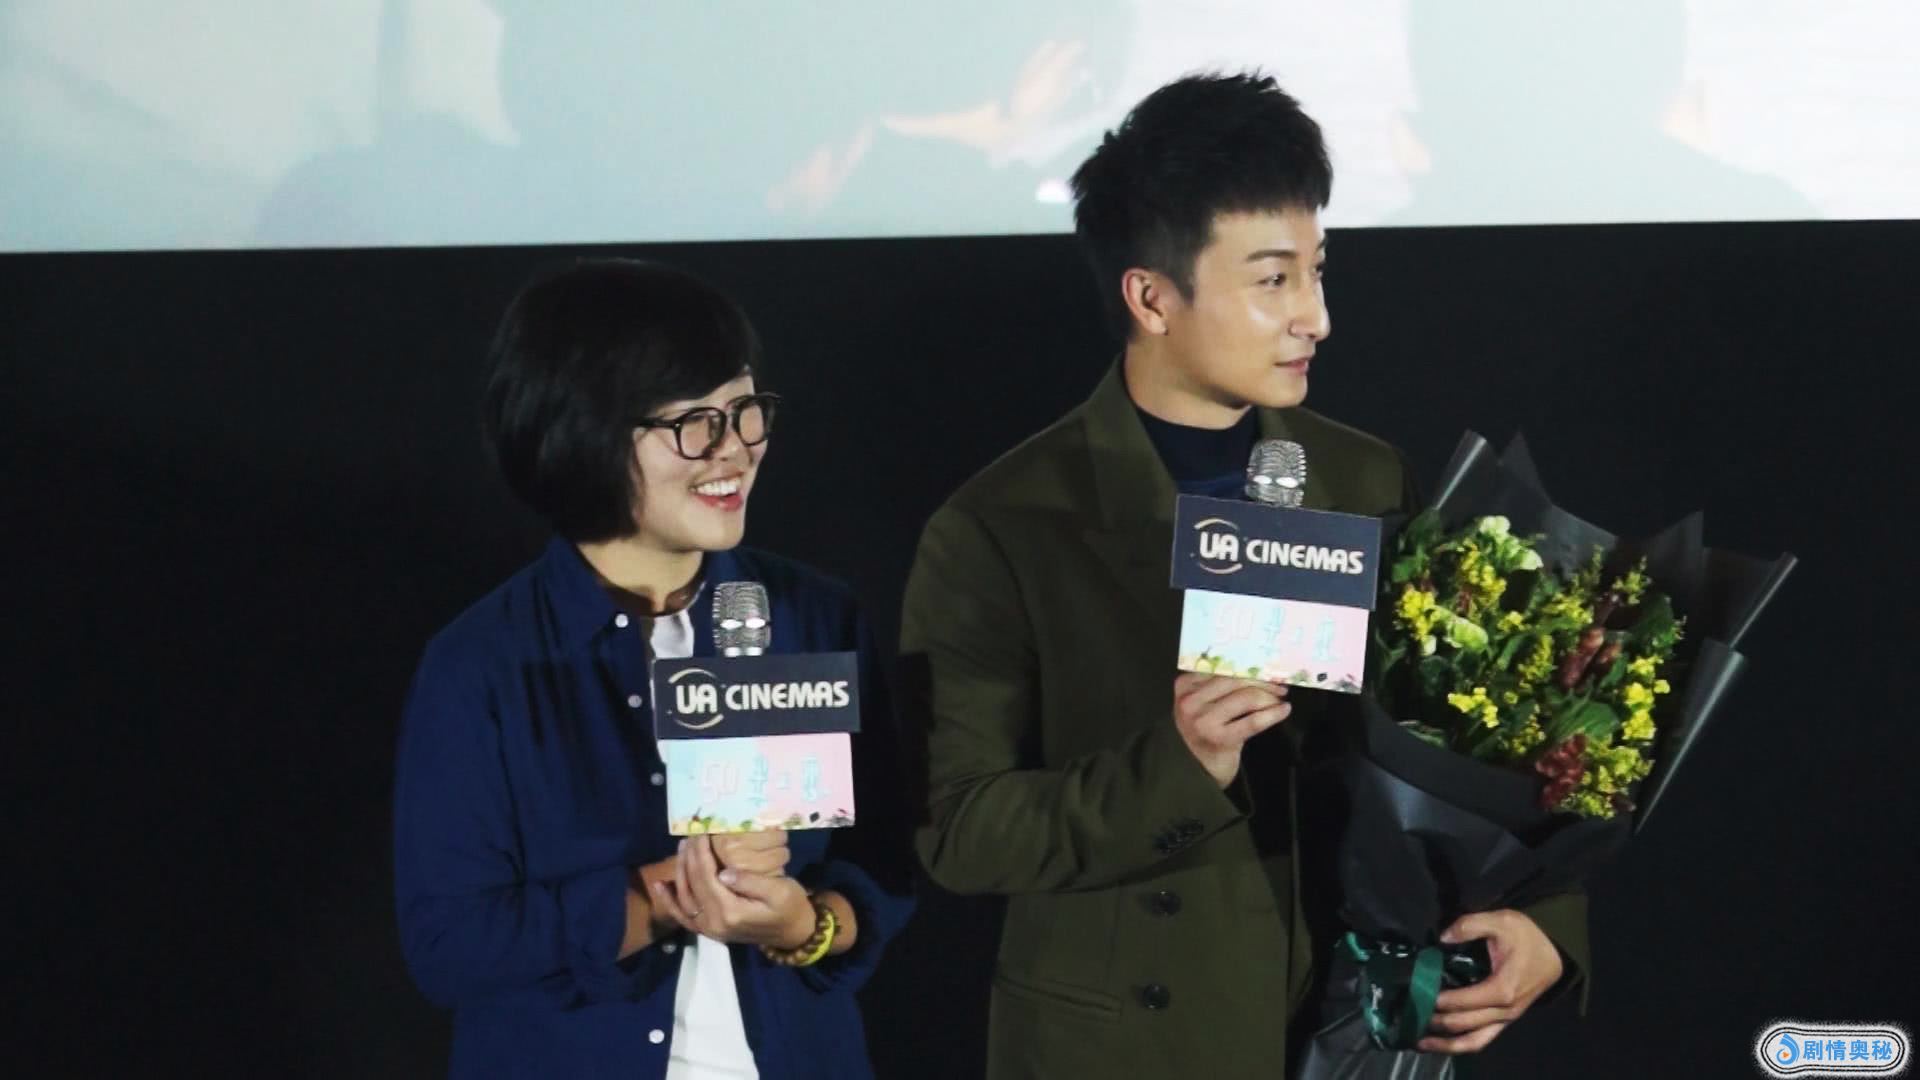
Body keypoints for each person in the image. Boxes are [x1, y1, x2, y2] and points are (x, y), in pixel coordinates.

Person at [900, 71, 1587, 1077]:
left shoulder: (1364, 478)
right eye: (1273, 281)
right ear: (1152, 297)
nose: (1315, 317)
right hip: (1130, 1044)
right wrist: (1178, 764)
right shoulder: (1000, 525)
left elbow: (1464, 745)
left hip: (1354, 1023)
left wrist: (1544, 923)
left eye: (1318, 272)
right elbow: (958, 829)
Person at [393, 257, 913, 1079]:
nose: (735, 451)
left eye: (746, 412)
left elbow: (885, 857)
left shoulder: (814, 615)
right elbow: (450, 946)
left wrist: (803, 926)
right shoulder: (484, 664)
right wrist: (672, 891)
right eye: (695, 424)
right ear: (587, 432)